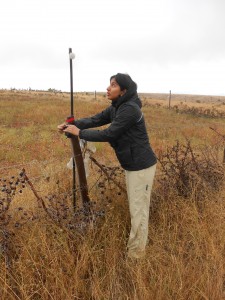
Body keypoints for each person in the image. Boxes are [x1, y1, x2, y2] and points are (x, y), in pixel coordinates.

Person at [58, 73, 157, 259]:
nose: (108, 88)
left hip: (141, 167)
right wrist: (70, 124)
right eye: (109, 84)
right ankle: (137, 250)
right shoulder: (116, 108)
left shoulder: (130, 110)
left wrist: (79, 132)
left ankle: (136, 257)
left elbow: (110, 134)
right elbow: (96, 120)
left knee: (139, 210)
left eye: (113, 85)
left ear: (124, 90)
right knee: (137, 207)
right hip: (133, 165)